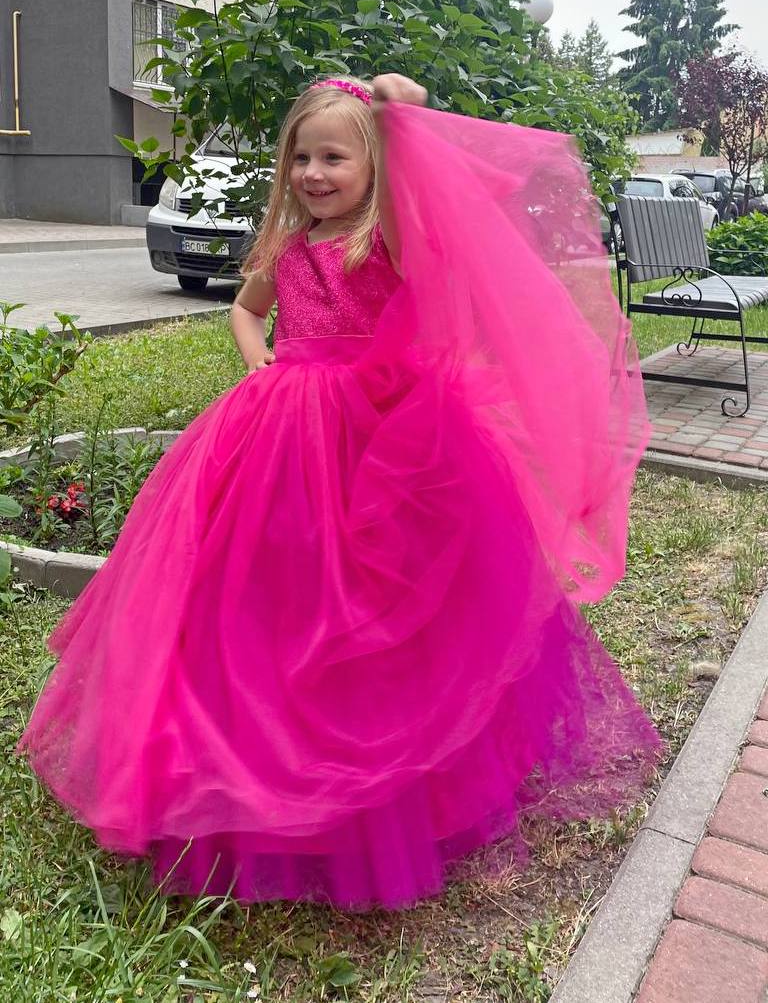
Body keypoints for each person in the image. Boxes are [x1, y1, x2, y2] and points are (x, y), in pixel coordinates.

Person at [19, 74, 661, 910]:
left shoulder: (386, 234)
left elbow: (414, 181)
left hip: (383, 432)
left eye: (335, 157)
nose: (314, 174)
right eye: (301, 158)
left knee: (384, 588)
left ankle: (401, 770)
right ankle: (253, 748)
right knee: (271, 580)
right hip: (282, 426)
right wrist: (260, 361)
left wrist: (396, 116)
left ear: (371, 166)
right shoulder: (286, 247)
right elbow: (246, 311)